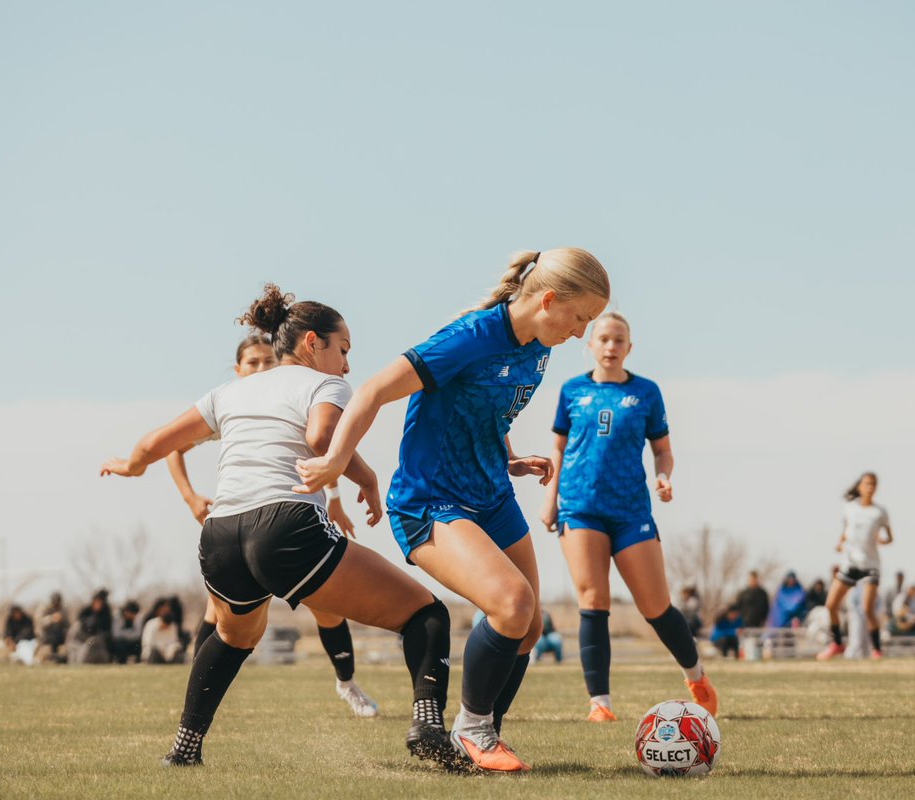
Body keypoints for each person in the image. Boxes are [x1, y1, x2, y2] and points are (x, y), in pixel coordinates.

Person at [101, 286, 453, 770]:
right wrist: (367, 477)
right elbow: (322, 437)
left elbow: (157, 441)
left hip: (220, 535)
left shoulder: (229, 392)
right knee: (425, 613)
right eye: (344, 349)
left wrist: (132, 465)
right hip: (284, 524)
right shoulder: (324, 385)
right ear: (313, 342)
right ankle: (429, 726)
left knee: (233, 637)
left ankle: (184, 750)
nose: (348, 365)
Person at [296, 248, 611, 772]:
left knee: (529, 626)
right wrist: (334, 461)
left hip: (491, 495)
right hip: (430, 499)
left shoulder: (539, 344)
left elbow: (485, 406)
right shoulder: (469, 336)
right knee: (511, 604)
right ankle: (472, 730)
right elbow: (372, 390)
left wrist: (509, 458)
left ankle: (486, 737)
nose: (581, 333)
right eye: (580, 318)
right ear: (549, 300)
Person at [166, 334, 378, 717]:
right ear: (238, 370)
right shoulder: (230, 405)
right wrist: (190, 497)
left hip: (292, 520)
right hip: (240, 526)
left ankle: (347, 683)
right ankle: (198, 697)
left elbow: (320, 448)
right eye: (253, 363)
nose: (262, 369)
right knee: (219, 616)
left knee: (329, 611)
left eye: (268, 361)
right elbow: (171, 447)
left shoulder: (291, 396)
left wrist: (334, 501)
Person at [540, 310, 718, 724]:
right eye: (603, 339)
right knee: (593, 600)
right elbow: (558, 451)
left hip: (631, 510)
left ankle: (696, 676)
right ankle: (599, 702)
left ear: (629, 348)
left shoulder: (646, 393)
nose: (610, 347)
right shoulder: (572, 391)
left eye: (619, 340)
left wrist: (663, 477)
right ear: (589, 344)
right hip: (580, 507)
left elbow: (663, 450)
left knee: (655, 605)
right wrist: (550, 499)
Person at [818, 472, 894, 660]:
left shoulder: (879, 512)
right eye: (867, 483)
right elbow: (846, 530)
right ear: (860, 486)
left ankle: (877, 650)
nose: (870, 487)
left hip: (870, 565)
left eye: (873, 484)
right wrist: (840, 542)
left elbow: (890, 536)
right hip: (850, 564)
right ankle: (836, 644)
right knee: (830, 605)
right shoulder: (850, 508)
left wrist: (884, 540)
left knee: (867, 608)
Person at [71, 589, 113, 664]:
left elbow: (107, 630)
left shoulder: (106, 613)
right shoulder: (86, 611)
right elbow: (80, 625)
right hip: (83, 638)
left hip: (99, 639)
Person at [142, 598, 187, 664]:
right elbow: (148, 644)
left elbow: (174, 642)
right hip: (154, 653)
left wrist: (172, 648)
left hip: (168, 654)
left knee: (179, 653)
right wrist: (162, 649)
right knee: (154, 652)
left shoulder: (173, 626)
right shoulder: (151, 625)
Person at [34, 592, 69, 663]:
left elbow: (67, 623)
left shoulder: (63, 609)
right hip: (45, 634)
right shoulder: (44, 607)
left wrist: (61, 619)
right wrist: (51, 618)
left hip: (59, 634)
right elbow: (38, 620)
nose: (57, 604)